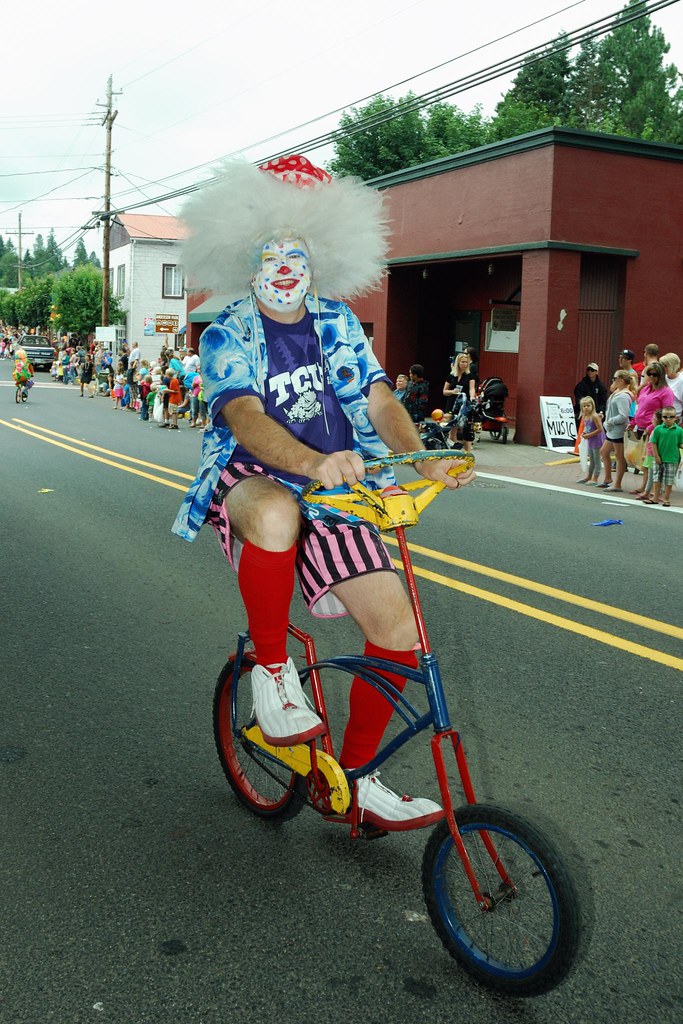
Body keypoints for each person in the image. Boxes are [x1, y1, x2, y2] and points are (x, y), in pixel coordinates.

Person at [172, 154, 475, 830]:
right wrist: (312, 461)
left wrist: (420, 460)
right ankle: (271, 670)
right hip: (256, 477)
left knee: (400, 628)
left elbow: (376, 399)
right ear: (245, 262)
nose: (285, 267)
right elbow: (246, 419)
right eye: (271, 254)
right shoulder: (228, 333)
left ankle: (360, 778)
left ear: (320, 261)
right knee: (274, 515)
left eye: (298, 254)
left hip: (337, 486)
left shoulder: (337, 322)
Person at [630, 361, 675, 499]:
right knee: (646, 462)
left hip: (655, 430)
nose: (651, 376)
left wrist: (651, 427)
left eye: (655, 374)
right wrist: (633, 422)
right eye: (649, 374)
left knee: (652, 462)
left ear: (661, 375)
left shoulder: (666, 392)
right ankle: (645, 487)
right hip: (642, 428)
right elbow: (640, 407)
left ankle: (653, 490)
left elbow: (666, 414)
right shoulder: (647, 388)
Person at [598, 370, 632, 492]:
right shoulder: (618, 392)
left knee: (619, 456)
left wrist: (610, 421)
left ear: (621, 380)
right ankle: (608, 478)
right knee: (604, 451)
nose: (613, 380)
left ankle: (617, 483)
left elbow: (623, 415)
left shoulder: (623, 396)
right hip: (612, 429)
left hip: (617, 429)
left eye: (615, 378)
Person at [646, 406, 683, 507]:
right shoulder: (658, 429)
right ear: (662, 418)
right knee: (657, 479)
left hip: (672, 459)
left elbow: (680, 443)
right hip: (659, 458)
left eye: (671, 417)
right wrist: (656, 456)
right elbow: (653, 443)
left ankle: (666, 498)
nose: (668, 419)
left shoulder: (679, 430)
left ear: (675, 418)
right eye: (665, 417)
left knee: (669, 480)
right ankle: (655, 497)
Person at [443, 353, 476, 450]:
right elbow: (444, 391)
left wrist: (472, 397)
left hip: (464, 402)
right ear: (458, 363)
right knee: (452, 427)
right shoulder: (451, 376)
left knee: (466, 427)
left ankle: (467, 451)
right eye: (463, 362)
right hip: (452, 402)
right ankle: (454, 449)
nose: (465, 364)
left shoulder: (470, 376)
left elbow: (471, 388)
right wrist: (452, 391)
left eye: (466, 362)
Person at [576, 397, 605, 485]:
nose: (586, 408)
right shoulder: (585, 416)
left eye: (588, 406)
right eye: (584, 406)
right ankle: (589, 476)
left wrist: (588, 435)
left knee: (596, 459)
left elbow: (600, 429)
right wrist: (585, 433)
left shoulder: (594, 416)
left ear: (592, 406)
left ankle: (595, 477)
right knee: (591, 459)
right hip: (590, 440)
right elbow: (587, 427)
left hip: (597, 440)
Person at [659, 352, 683, 423]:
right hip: (661, 418)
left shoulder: (681, 381)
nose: (663, 368)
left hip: (675, 420)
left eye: (665, 365)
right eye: (662, 365)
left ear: (673, 366)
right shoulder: (663, 378)